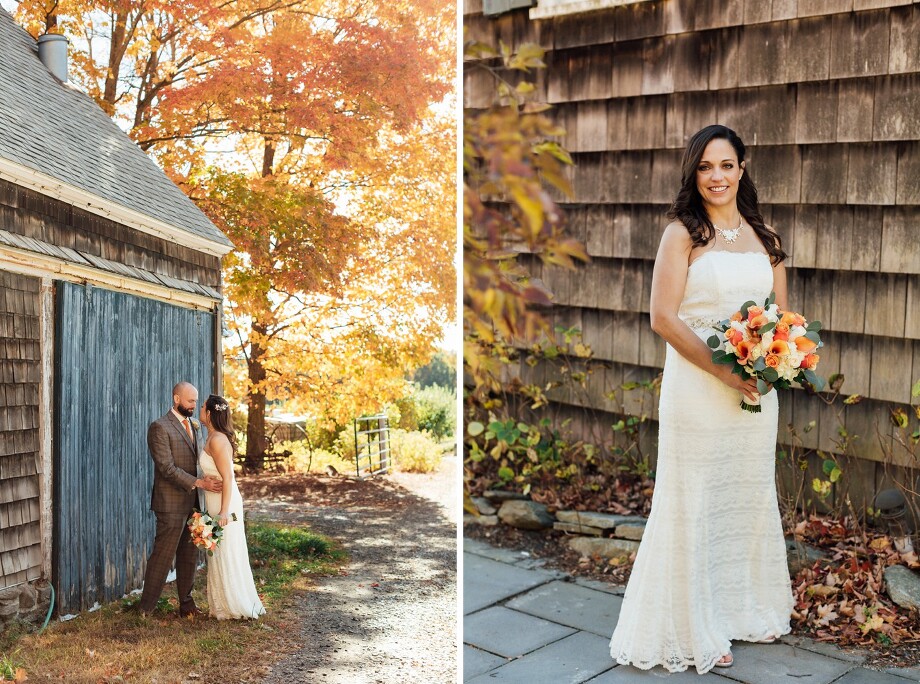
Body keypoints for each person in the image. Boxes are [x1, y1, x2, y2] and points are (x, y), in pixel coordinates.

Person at [608, 124, 794, 673]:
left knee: (747, 494)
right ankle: (694, 626)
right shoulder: (682, 234)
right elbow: (662, 317)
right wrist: (722, 369)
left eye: (727, 165)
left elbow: (780, 317)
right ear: (695, 173)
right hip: (697, 387)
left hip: (754, 394)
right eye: (706, 167)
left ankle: (741, 608)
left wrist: (771, 366)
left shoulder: (767, 237)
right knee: (696, 499)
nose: (717, 176)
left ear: (743, 168)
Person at [138, 382, 222, 617]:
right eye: (190, 401)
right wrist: (200, 483)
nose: (195, 405)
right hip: (170, 503)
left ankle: (186, 604)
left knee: (189, 555)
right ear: (176, 399)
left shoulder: (194, 425)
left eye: (196, 401)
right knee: (163, 556)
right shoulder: (159, 427)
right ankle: (146, 609)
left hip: (193, 502)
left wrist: (206, 478)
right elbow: (166, 467)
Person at [198, 393, 265, 619]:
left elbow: (228, 477)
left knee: (225, 550)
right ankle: (221, 605)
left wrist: (225, 511)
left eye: (202, 407)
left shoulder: (217, 440)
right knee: (217, 551)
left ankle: (234, 605)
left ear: (209, 413)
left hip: (223, 502)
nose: (199, 410)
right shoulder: (212, 437)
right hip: (213, 498)